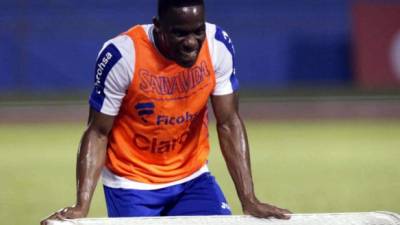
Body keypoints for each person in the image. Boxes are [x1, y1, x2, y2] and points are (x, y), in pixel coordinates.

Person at [41, 0, 291, 224]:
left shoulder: (217, 46)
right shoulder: (122, 56)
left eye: (198, 31)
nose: (191, 42)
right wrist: (81, 206)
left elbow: (228, 122)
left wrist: (248, 198)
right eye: (180, 33)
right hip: (132, 183)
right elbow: (97, 132)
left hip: (192, 177)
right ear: (158, 26)